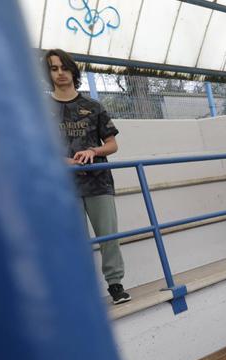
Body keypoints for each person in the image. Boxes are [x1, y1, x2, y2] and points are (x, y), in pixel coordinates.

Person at [46, 49, 130, 305]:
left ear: (73, 70)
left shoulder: (93, 106)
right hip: (62, 186)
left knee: (108, 236)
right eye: (53, 68)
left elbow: (112, 144)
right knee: (74, 241)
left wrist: (93, 151)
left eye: (64, 67)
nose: (60, 73)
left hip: (98, 181)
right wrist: (64, 162)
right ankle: (83, 291)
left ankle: (115, 284)